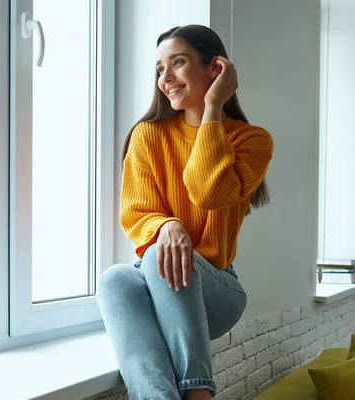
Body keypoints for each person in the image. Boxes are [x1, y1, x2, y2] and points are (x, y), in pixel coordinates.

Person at [97, 24, 274, 400]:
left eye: (178, 63)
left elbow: (210, 192)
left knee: (162, 250)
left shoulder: (251, 140)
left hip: (218, 290)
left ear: (215, 69)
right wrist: (170, 225)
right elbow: (136, 212)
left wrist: (212, 107)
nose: (166, 78)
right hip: (162, 276)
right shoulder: (147, 136)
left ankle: (198, 394)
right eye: (160, 69)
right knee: (114, 280)